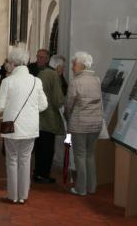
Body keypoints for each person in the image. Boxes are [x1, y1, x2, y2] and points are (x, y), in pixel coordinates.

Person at [0, 48, 48, 204]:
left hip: (11, 127)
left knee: (12, 160)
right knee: (25, 161)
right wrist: (30, 111)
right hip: (30, 128)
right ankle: (23, 196)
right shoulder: (36, 81)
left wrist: (10, 109)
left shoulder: (8, 81)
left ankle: (13, 196)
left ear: (13, 63)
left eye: (9, 63)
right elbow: (43, 105)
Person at [64, 51, 103, 196]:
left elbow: (69, 104)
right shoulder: (96, 80)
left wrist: (67, 117)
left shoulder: (76, 82)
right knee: (90, 155)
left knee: (80, 155)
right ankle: (91, 187)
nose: (72, 67)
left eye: (74, 64)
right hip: (95, 124)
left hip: (79, 124)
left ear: (81, 65)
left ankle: (81, 188)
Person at [33, 50, 65, 184]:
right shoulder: (53, 75)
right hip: (49, 117)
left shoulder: (40, 73)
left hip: (37, 115)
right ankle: (43, 174)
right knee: (47, 148)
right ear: (58, 66)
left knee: (39, 147)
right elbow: (58, 100)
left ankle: (37, 173)